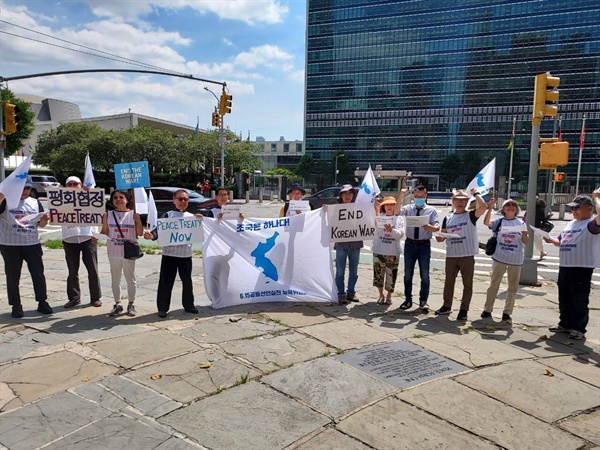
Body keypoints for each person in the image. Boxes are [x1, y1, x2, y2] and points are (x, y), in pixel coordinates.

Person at [544, 191, 600, 340]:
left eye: (577, 208)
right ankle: (565, 323)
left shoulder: (591, 224)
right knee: (565, 296)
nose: (573, 211)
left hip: (581, 266)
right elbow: (562, 241)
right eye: (572, 208)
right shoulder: (570, 223)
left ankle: (578, 328)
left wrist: (596, 198)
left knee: (579, 298)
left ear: (589, 208)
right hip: (565, 265)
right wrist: (551, 240)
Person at [144, 189, 202, 318]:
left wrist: (201, 220)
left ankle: (189, 305)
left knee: (187, 282)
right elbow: (157, 231)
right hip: (169, 255)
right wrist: (151, 235)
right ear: (174, 200)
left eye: (185, 199)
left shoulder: (192, 217)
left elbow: (205, 227)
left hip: (185, 255)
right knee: (166, 282)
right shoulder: (167, 216)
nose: (183, 201)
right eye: (180, 199)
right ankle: (163, 308)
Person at [0, 181, 53, 318]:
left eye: (28, 188)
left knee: (38, 274)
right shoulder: (6, 201)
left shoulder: (35, 202)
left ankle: (42, 301)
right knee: (12, 276)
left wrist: (45, 219)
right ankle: (16, 305)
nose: (25, 191)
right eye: (22, 188)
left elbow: (41, 224)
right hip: (10, 244)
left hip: (32, 243)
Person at [435, 188, 487, 321]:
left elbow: (484, 206)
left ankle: (464, 309)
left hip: (467, 254)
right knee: (449, 282)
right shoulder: (448, 218)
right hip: (452, 254)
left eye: (463, 200)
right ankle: (447, 306)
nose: (460, 203)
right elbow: (442, 235)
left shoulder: (470, 215)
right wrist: (438, 236)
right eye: (457, 200)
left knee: (467, 284)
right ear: (453, 201)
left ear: (467, 202)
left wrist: (476, 194)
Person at [482, 198, 529, 324]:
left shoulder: (520, 223)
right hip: (500, 258)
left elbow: (525, 241)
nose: (511, 207)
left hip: (516, 259)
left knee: (512, 287)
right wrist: (490, 207)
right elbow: (486, 222)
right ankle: (487, 309)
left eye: (513, 205)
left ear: (516, 210)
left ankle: (507, 312)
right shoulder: (499, 222)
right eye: (508, 205)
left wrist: (525, 234)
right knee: (494, 285)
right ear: (503, 209)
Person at [395, 185, 440, 312]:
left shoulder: (431, 210)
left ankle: (423, 301)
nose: (419, 198)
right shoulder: (408, 208)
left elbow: (437, 227)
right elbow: (396, 212)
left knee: (425, 275)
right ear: (413, 196)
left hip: (424, 245)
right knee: (408, 274)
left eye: (422, 196)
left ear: (426, 196)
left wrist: (429, 227)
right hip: (410, 244)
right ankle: (408, 299)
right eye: (417, 196)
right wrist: (401, 195)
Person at [61, 176, 102, 309]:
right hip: (70, 238)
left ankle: (95, 298)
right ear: (66, 186)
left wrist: (90, 192)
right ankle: (74, 297)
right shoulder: (60, 199)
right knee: (72, 270)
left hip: (88, 237)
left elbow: (100, 211)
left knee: (93, 269)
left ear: (80, 185)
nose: (73, 186)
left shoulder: (89, 197)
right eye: (70, 184)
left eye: (75, 184)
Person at [100, 189, 143, 316]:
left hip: (128, 252)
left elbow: (139, 233)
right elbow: (105, 231)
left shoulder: (133, 214)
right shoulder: (108, 215)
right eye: (115, 198)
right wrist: (96, 236)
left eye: (121, 197)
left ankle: (131, 303)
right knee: (115, 279)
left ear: (127, 200)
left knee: (130, 279)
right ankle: (117, 303)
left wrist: (138, 221)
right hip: (113, 251)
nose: (118, 200)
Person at [333, 185, 363, 304]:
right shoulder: (335, 209)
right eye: (345, 193)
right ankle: (341, 294)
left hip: (355, 244)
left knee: (354, 271)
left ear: (353, 196)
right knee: (340, 271)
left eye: (350, 193)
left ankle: (351, 293)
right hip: (341, 244)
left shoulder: (359, 208)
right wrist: (325, 211)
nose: (347, 196)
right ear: (340, 195)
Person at [372, 196, 405, 305]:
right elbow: (374, 228)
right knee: (378, 275)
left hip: (392, 252)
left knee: (391, 276)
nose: (390, 207)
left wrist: (391, 230)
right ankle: (380, 295)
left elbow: (400, 235)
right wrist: (376, 208)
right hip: (379, 250)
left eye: (392, 204)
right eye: (387, 204)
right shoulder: (380, 216)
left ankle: (389, 296)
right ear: (383, 206)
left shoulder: (399, 219)